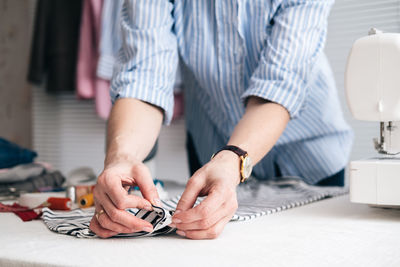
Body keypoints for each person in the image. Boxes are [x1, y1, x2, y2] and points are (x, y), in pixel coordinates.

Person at [89, 0, 353, 240]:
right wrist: (121, 157)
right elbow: (144, 76)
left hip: (309, 155)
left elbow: (279, 84)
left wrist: (233, 159)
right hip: (211, 147)